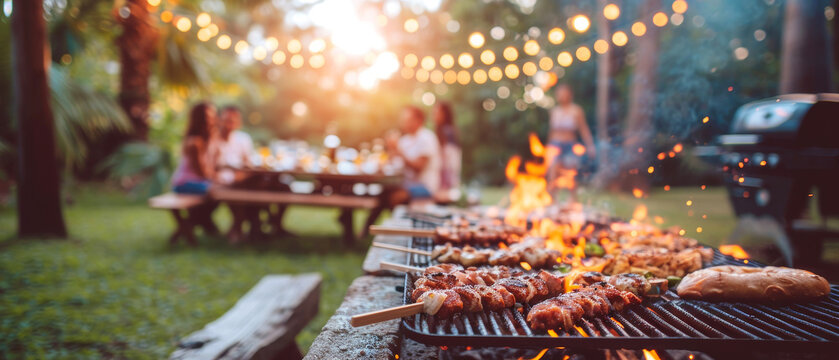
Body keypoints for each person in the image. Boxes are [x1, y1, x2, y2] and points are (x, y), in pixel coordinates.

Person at [171, 102, 219, 235]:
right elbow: (202, 173)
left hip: (199, 183)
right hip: (184, 183)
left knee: (220, 192)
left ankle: (198, 222)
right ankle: (198, 222)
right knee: (219, 192)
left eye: (213, 116)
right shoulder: (194, 143)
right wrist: (218, 178)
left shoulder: (206, 141)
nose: (212, 120)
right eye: (208, 117)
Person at [547, 84, 595, 202]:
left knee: (571, 173)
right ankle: (552, 200)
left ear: (570, 94)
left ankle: (573, 201)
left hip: (570, 144)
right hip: (555, 144)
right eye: (559, 93)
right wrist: (548, 147)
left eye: (564, 93)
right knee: (553, 172)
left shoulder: (576, 110)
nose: (561, 95)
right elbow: (552, 131)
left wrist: (590, 145)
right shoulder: (555, 111)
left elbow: (583, 128)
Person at [388, 106, 441, 200]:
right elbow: (394, 165)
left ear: (419, 120)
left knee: (394, 197)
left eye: (408, 120)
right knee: (383, 192)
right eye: (403, 120)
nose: (404, 123)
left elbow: (418, 168)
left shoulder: (427, 137)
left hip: (425, 186)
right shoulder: (404, 140)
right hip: (406, 184)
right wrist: (391, 149)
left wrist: (398, 150)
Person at [433, 102, 462, 203]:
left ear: (445, 114)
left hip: (446, 172)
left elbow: (451, 156)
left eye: (437, 113)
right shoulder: (443, 130)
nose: (434, 116)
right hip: (445, 171)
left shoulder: (447, 131)